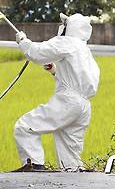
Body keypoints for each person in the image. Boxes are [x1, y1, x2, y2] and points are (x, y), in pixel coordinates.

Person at [13, 13, 100, 171]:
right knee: (69, 152)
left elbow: (37, 53)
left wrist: (23, 42)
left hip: (68, 102)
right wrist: (55, 70)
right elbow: (77, 79)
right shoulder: (85, 51)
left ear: (70, 27)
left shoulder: (68, 42)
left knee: (25, 126)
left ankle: (34, 166)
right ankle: (73, 178)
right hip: (83, 107)